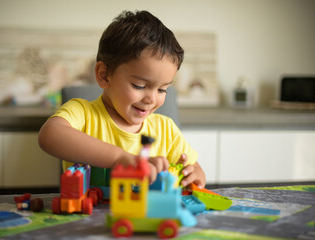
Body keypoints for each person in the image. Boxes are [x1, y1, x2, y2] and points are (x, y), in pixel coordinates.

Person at [38, 10, 206, 188]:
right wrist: (120, 158)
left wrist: (194, 175)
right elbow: (49, 136)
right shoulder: (83, 113)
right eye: (139, 86)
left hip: (146, 214)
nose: (151, 99)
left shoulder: (166, 130)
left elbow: (196, 170)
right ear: (104, 75)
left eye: (162, 89)